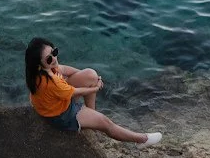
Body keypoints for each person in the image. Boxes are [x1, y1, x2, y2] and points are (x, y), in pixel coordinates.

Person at [24, 37, 161, 146]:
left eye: (54, 52)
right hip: (61, 114)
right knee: (106, 123)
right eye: (49, 58)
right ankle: (142, 140)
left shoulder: (45, 70)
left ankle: (91, 118)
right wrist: (96, 87)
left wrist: (93, 79)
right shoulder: (50, 82)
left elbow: (64, 70)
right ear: (39, 65)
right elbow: (74, 92)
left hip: (57, 99)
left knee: (90, 74)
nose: (54, 59)